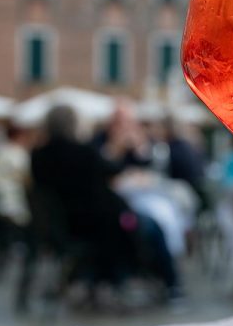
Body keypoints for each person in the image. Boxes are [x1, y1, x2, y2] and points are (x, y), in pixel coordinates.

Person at [31, 105, 180, 304]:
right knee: (152, 226)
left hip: (61, 226)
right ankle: (170, 284)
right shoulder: (83, 152)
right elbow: (112, 169)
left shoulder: (37, 156)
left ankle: (111, 278)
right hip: (99, 226)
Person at [0, 122, 36, 306]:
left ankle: (1, 264)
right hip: (15, 203)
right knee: (18, 234)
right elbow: (26, 177)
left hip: (1, 202)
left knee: (5, 237)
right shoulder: (16, 153)